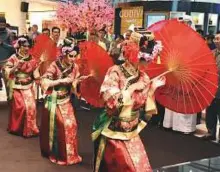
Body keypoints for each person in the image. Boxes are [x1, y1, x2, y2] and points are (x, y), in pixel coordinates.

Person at [92, 41, 165, 172]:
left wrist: (152, 89)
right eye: (144, 59)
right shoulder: (115, 71)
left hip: (132, 130)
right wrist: (131, 88)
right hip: (114, 130)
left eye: (149, 59)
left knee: (140, 166)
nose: (147, 63)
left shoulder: (144, 77)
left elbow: (145, 109)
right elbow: (110, 102)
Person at [40, 38, 84, 165]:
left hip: (66, 99)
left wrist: (78, 81)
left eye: (75, 56)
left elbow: (75, 84)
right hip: (54, 100)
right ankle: (58, 153)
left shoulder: (75, 66)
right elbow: (45, 80)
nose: (73, 59)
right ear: (64, 54)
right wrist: (60, 81)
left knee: (72, 124)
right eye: (70, 56)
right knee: (60, 126)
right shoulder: (55, 65)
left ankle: (71, 154)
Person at [3, 36, 39, 137]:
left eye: (28, 46)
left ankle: (30, 129)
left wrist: (39, 79)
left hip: (28, 86)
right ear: (19, 46)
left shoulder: (32, 58)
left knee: (31, 107)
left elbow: (36, 72)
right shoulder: (13, 58)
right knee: (21, 107)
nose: (26, 48)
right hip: (17, 86)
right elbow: (7, 71)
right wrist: (16, 66)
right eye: (24, 46)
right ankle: (17, 128)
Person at [202, 31, 220, 141]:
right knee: (210, 112)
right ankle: (210, 132)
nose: (216, 41)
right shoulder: (211, 53)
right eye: (216, 39)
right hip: (210, 89)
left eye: (218, 39)